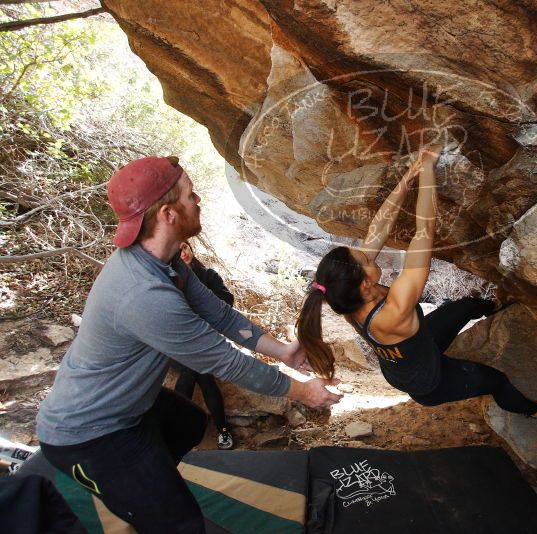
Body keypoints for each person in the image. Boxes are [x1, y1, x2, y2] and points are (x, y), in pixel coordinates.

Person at [36, 156, 341, 533]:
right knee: (181, 525)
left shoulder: (167, 263)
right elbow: (227, 363)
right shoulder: (143, 294)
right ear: (168, 213)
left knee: (189, 423)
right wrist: (302, 391)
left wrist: (284, 351)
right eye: (190, 195)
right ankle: (148, 498)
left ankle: (147, 490)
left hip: (127, 410)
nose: (199, 200)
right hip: (89, 434)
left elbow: (220, 314)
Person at [296, 145, 537, 419]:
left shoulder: (344, 294)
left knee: (467, 305)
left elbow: (378, 227)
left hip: (416, 347)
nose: (369, 253)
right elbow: (424, 229)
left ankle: (496, 306)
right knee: (496, 380)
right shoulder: (395, 311)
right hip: (427, 381)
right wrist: (428, 169)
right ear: (365, 284)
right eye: (365, 259)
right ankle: (534, 410)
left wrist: (408, 178)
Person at [174, 240, 235, 450]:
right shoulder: (168, 278)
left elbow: (227, 299)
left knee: (199, 372)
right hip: (175, 343)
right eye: (177, 250)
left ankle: (175, 429)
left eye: (184, 247)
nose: (183, 253)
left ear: (190, 247)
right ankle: (223, 430)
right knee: (199, 371)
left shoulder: (208, 275)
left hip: (203, 339)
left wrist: (203, 309)